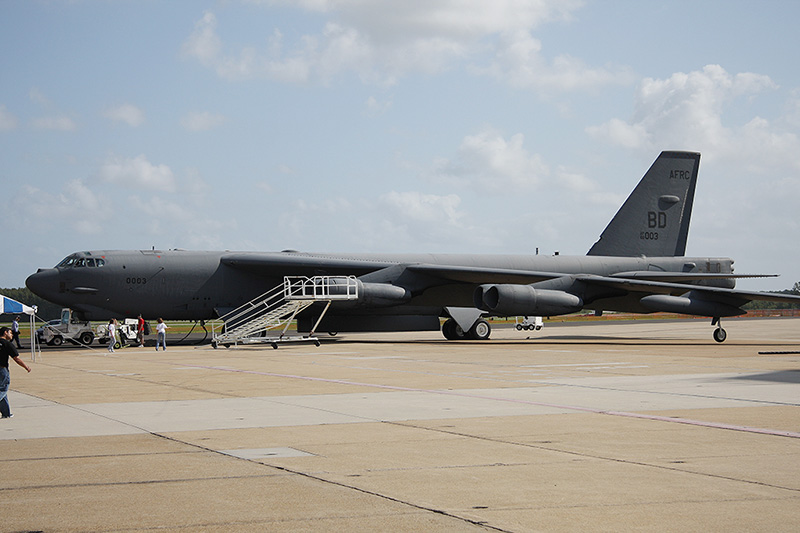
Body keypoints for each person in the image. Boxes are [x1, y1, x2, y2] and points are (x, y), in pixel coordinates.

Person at [0, 326, 31, 419]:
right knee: (2, 389)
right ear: (5, 333)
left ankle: (6, 413)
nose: (12, 335)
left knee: (2, 392)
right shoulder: (7, 344)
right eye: (10, 332)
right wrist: (26, 367)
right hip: (2, 369)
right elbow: (16, 359)